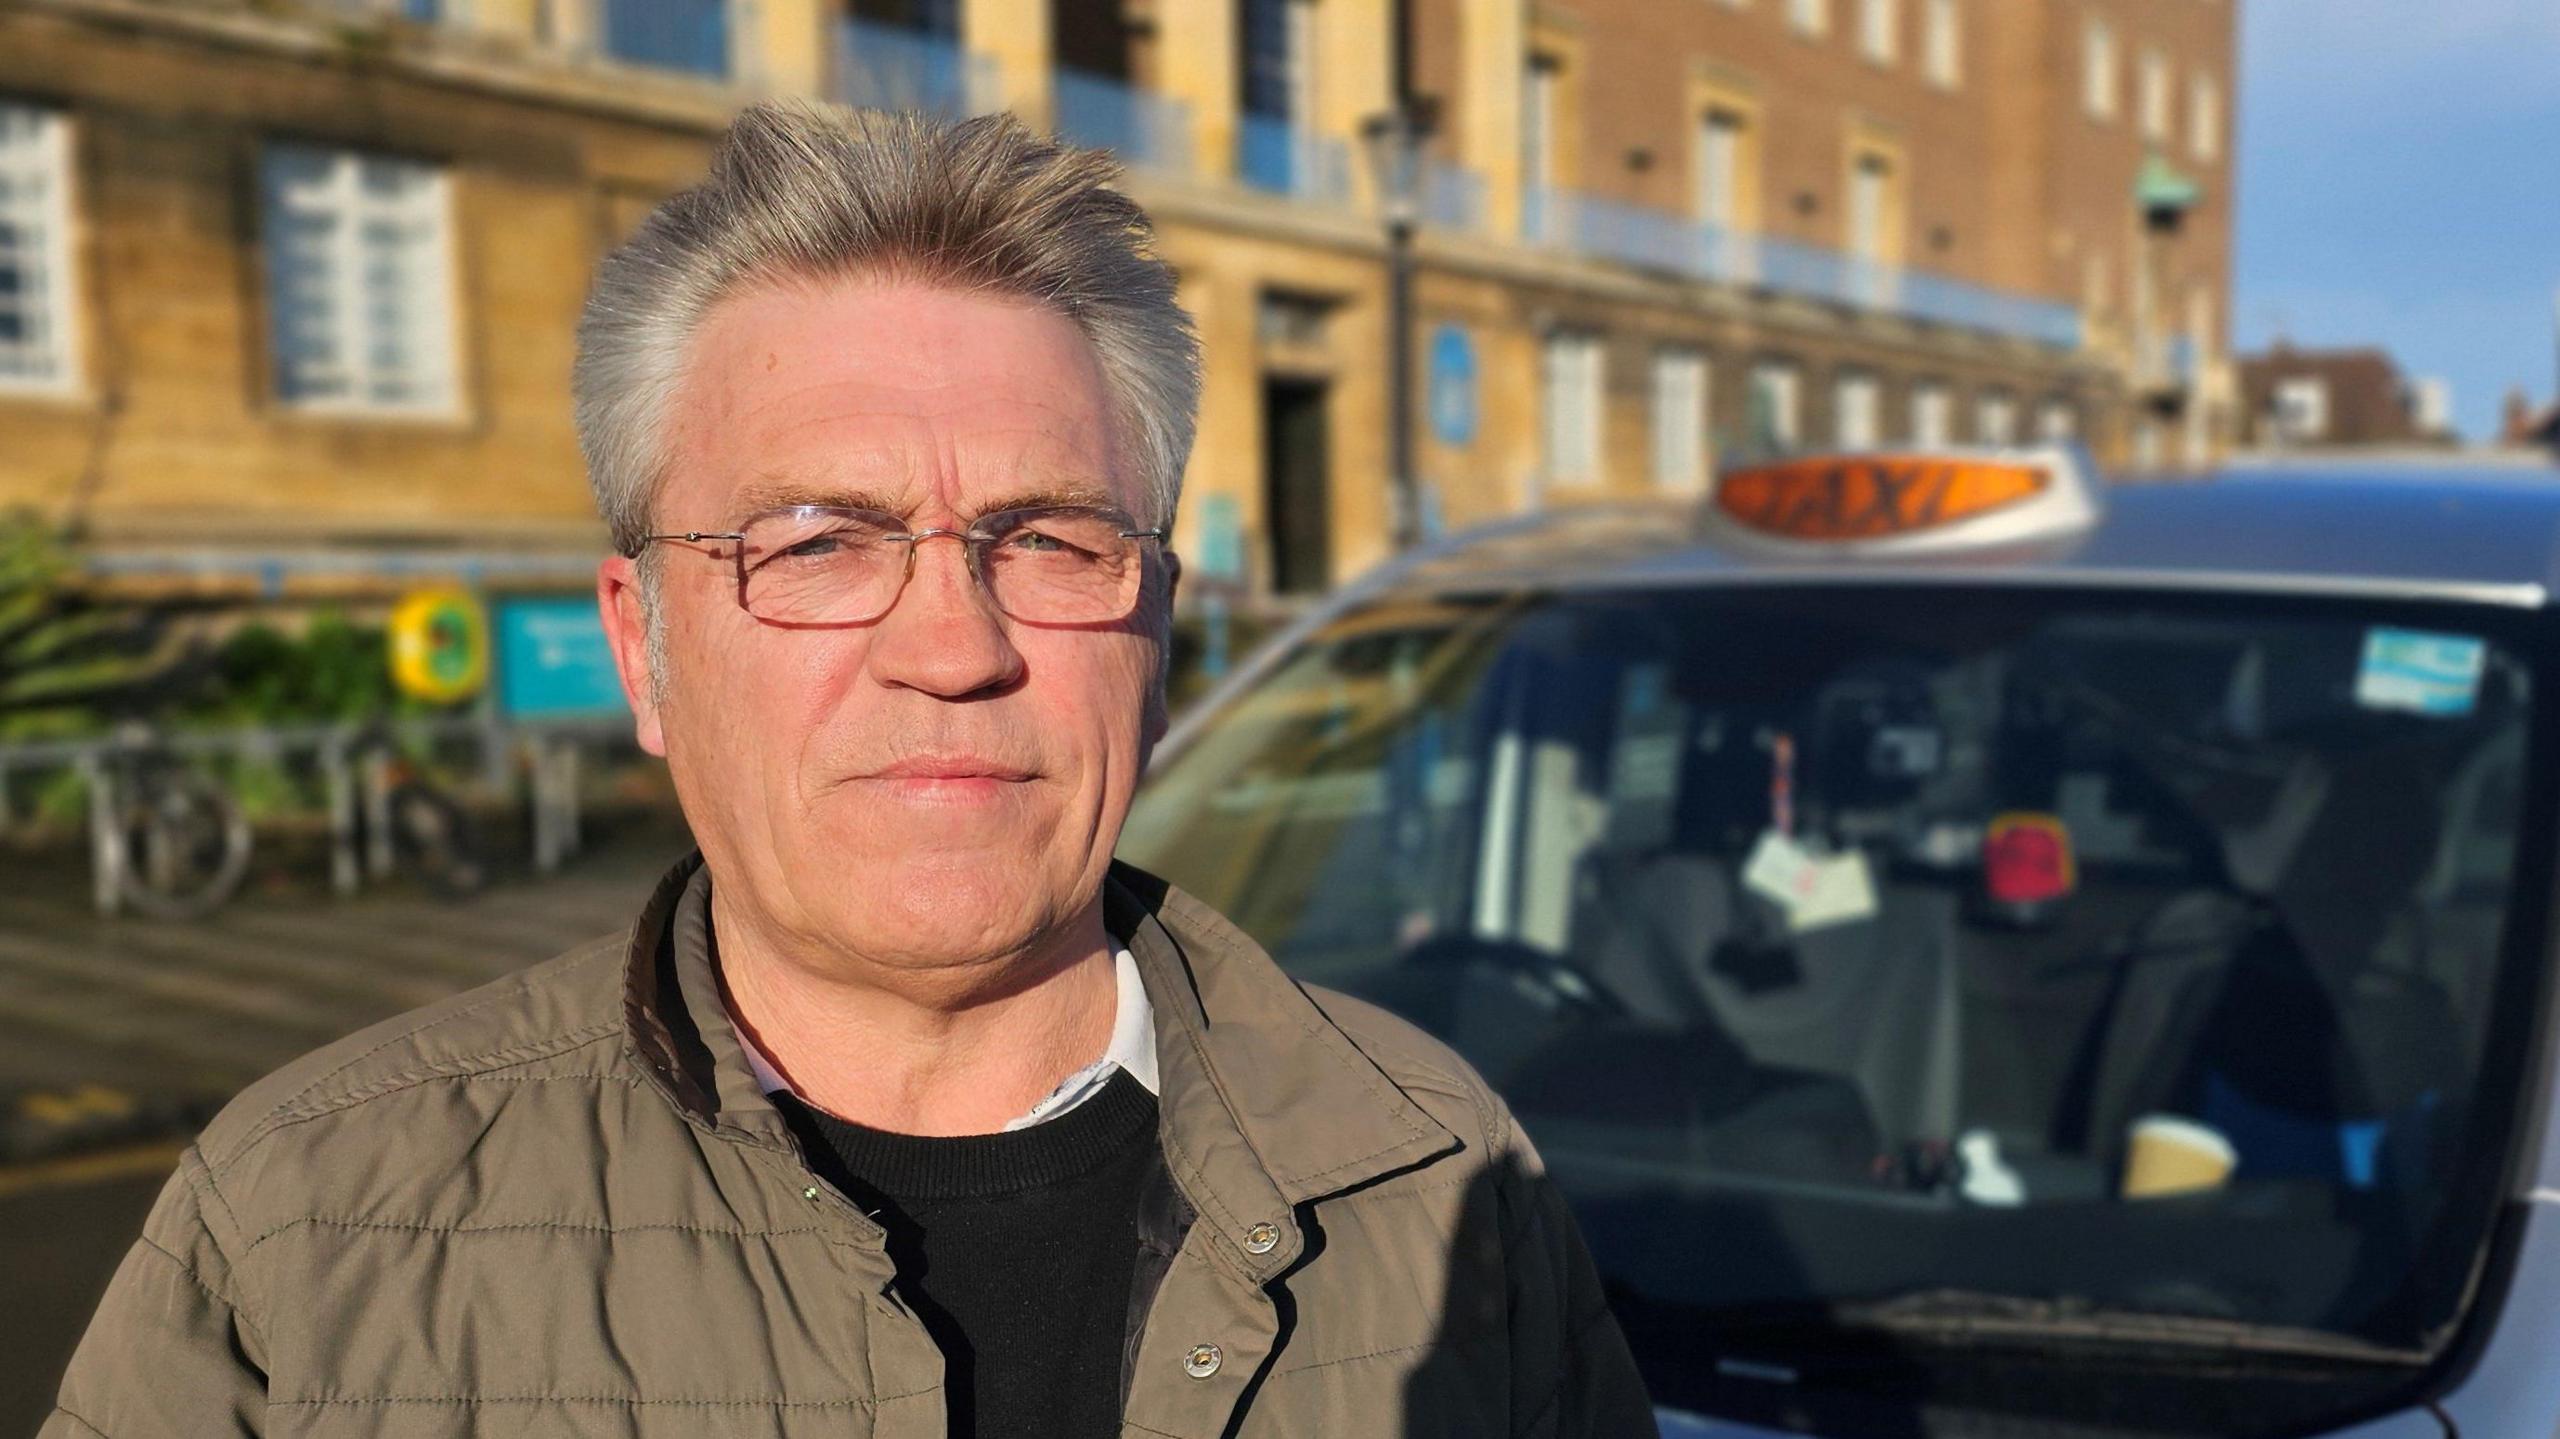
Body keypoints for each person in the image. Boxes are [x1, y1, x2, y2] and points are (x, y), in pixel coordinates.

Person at [46, 100, 1655, 1438]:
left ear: (1157, 630)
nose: (950, 645)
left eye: (1048, 538)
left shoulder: (1443, 1179)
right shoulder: (299, 1230)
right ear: (642, 644)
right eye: (817, 544)